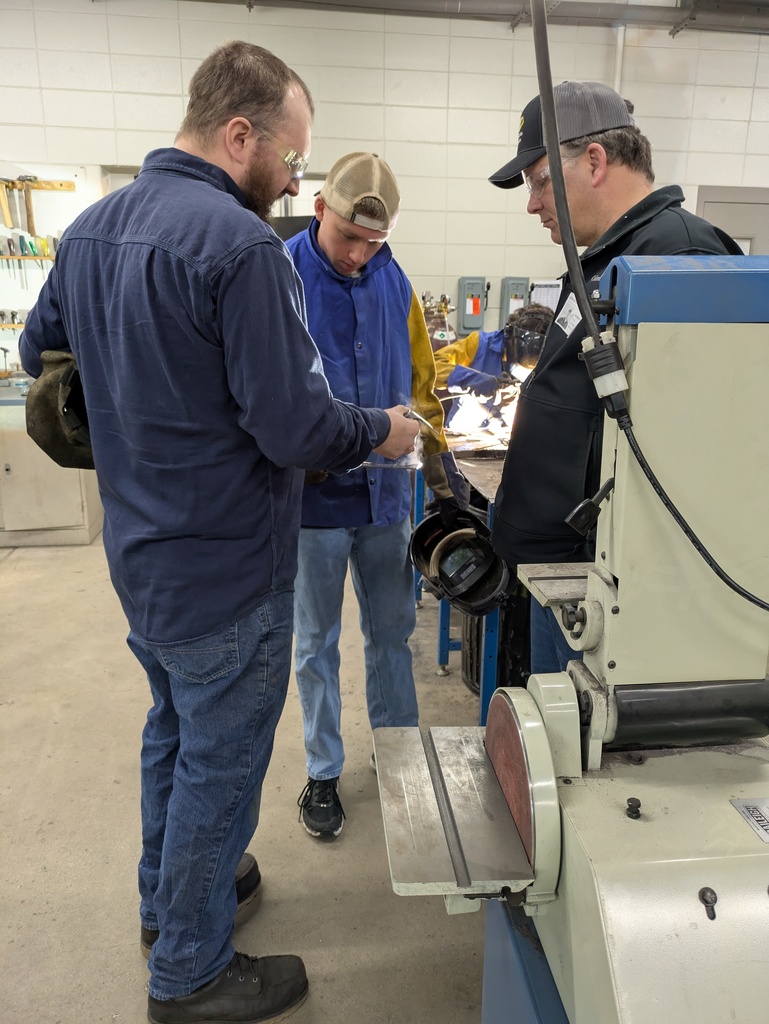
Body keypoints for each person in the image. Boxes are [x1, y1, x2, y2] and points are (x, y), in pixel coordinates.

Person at [19, 42, 418, 1024]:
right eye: (289, 156)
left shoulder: (90, 231)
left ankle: (171, 901)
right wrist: (382, 431)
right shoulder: (240, 249)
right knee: (222, 767)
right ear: (238, 134)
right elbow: (294, 427)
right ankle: (190, 970)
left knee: (174, 732)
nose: (292, 177)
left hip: (142, 558)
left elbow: (40, 352)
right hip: (230, 568)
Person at [487, 80, 742, 675]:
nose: (533, 204)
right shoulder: (606, 260)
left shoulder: (679, 256)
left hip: (607, 586)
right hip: (566, 576)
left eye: (541, 180)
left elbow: (693, 453)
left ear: (595, 161)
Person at [285, 152, 468, 840]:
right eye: (347, 239)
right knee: (315, 643)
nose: (359, 255)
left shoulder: (399, 286)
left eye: (374, 242)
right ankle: (323, 768)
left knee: (392, 638)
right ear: (318, 212)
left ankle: (396, 753)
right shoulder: (279, 278)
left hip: (387, 504)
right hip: (313, 507)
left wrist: (444, 488)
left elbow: (422, 392)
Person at [433, 302, 553, 439]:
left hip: (505, 439)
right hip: (460, 437)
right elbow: (431, 366)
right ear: (509, 339)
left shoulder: (552, 362)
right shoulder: (479, 344)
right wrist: (471, 379)